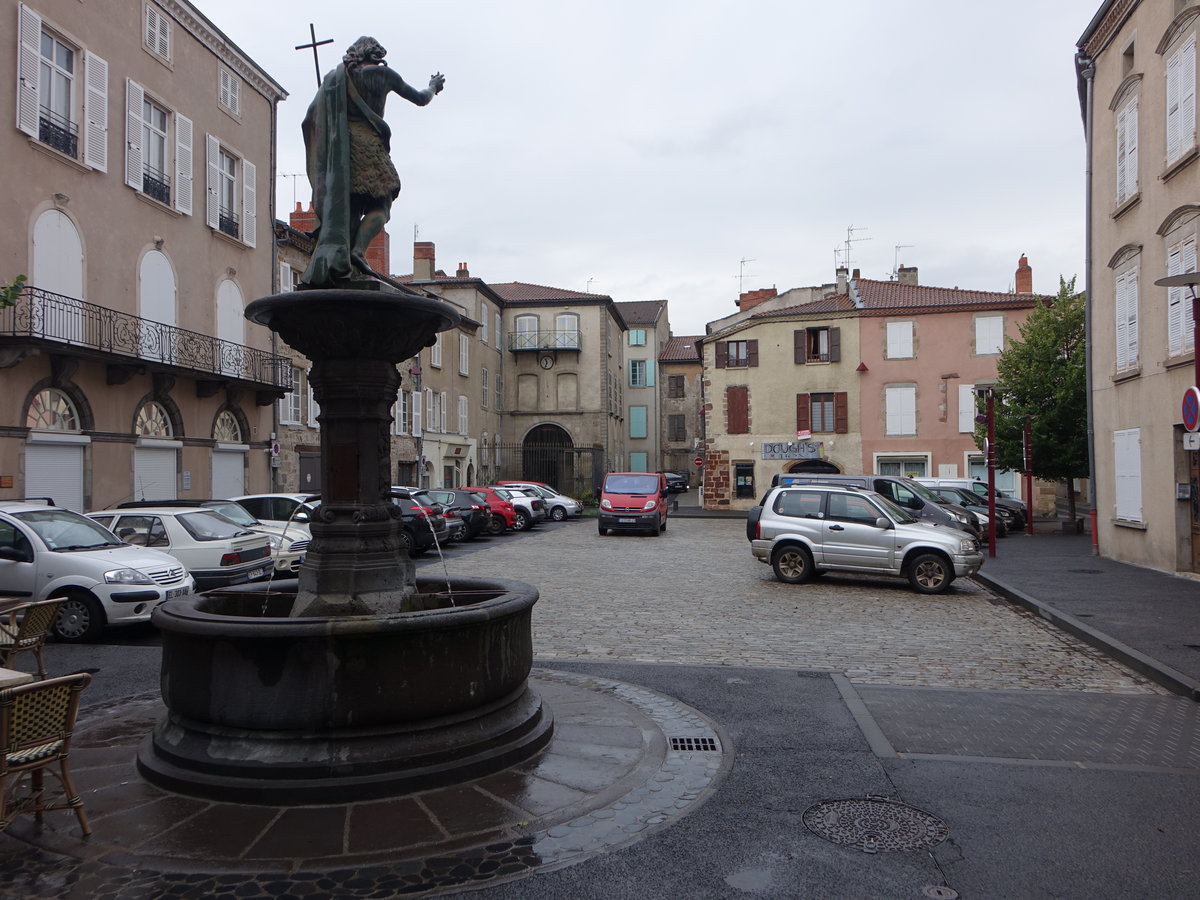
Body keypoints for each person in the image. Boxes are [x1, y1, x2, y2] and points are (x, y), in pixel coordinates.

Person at [301, 36, 444, 287]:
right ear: (376, 54)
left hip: (341, 152)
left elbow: (310, 118)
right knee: (382, 204)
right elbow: (421, 98)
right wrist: (433, 86)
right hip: (368, 145)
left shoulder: (335, 79)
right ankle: (357, 250)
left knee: (350, 208)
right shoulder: (384, 76)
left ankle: (343, 260)